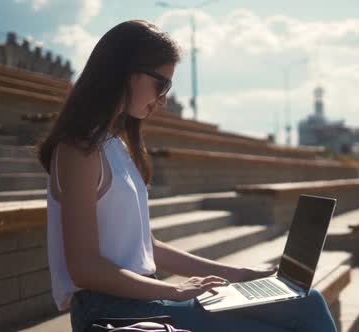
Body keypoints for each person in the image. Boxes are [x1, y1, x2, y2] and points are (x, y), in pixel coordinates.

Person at [36, 19, 337, 332]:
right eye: (161, 84)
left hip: (142, 300)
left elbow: (147, 247)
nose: (164, 98)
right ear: (126, 72)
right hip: (107, 310)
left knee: (307, 300)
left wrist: (240, 275)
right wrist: (175, 291)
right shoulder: (78, 151)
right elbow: (84, 269)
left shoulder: (116, 145)